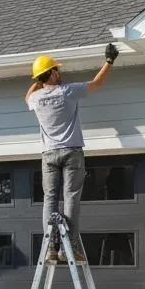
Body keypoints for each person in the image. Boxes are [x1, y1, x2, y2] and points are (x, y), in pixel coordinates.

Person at [25, 42, 119, 262]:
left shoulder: (36, 99)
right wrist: (109, 61)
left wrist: (40, 81)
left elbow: (27, 96)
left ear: (39, 78)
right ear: (54, 72)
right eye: (57, 71)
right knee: (71, 198)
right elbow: (97, 83)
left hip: (48, 155)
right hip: (71, 153)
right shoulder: (68, 91)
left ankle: (50, 246)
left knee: (50, 199)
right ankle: (69, 248)